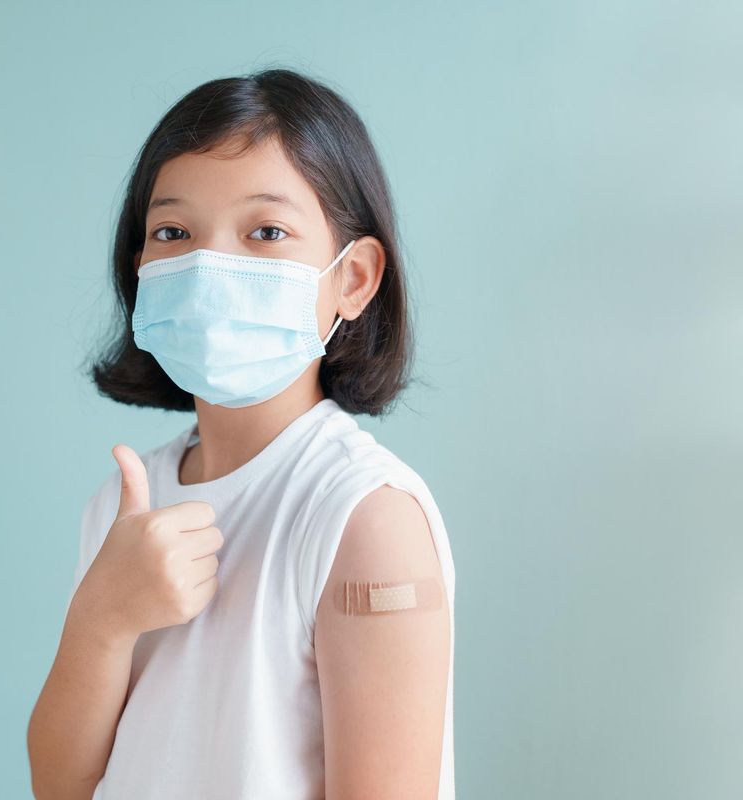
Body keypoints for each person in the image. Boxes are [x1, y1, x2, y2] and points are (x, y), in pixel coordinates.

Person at [28, 66, 457, 800]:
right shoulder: (123, 507)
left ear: (352, 279)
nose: (208, 266)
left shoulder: (366, 517)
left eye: (266, 231)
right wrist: (102, 618)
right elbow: (61, 784)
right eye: (173, 231)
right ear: (139, 268)